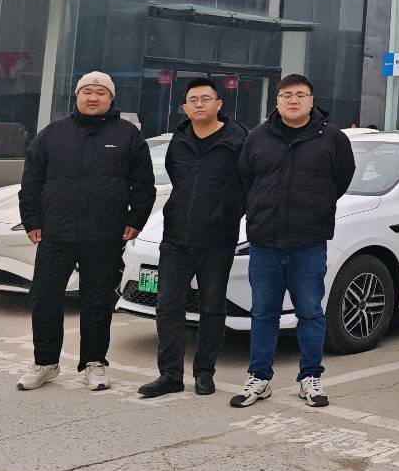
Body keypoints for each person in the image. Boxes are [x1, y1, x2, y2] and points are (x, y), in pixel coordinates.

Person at [16, 72, 154, 393]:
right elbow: (31, 181)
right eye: (87, 92)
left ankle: (94, 362)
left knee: (97, 301)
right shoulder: (53, 134)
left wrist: (136, 219)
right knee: (45, 298)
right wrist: (31, 220)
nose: (93, 97)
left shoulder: (127, 135)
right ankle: (45, 362)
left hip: (104, 235)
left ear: (111, 99)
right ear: (77, 96)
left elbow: (143, 185)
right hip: (55, 233)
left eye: (100, 93)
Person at [230, 75, 354, 408]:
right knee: (263, 313)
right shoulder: (257, 138)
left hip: (308, 242)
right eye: (287, 94)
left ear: (312, 100)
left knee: (310, 312)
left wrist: (315, 208)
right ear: (277, 100)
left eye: (301, 94)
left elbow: (341, 179)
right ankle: (259, 377)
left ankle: (310, 377)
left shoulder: (332, 138)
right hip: (265, 242)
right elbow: (245, 180)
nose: (293, 100)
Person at [138, 77, 247, 399]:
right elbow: (177, 176)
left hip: (218, 239)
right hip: (176, 236)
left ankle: (204, 372)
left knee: (212, 307)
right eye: (193, 100)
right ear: (185, 107)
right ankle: (170, 374)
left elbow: (247, 185)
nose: (199, 104)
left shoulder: (238, 140)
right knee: (167, 306)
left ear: (219, 104)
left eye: (205, 99)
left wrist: (227, 213)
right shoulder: (180, 139)